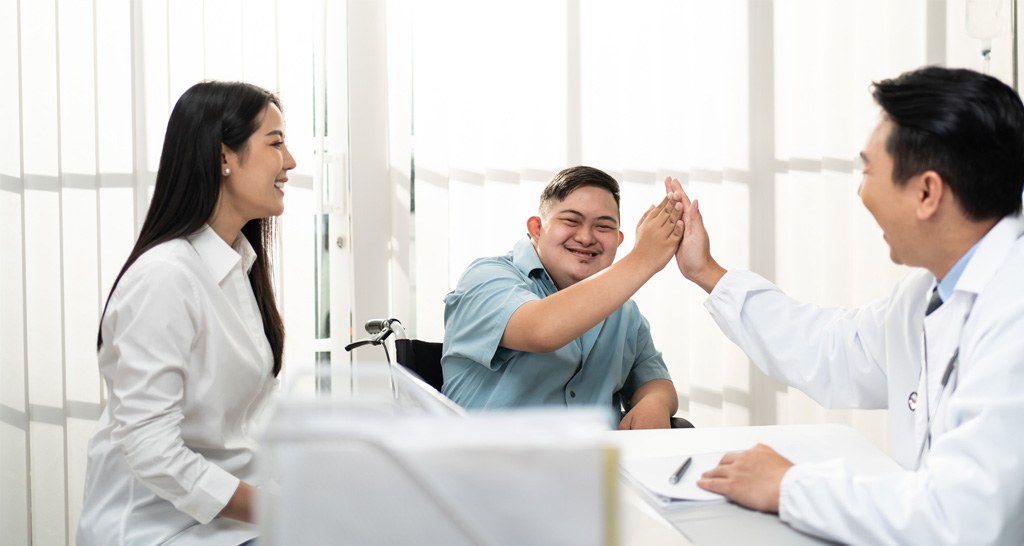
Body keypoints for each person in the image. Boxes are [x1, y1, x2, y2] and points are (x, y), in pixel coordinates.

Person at [668, 66, 1024, 544]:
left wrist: (787, 485)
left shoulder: (1012, 309)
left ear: (926, 192)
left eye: (867, 170)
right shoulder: (926, 295)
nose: (860, 192)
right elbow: (831, 349)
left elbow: (959, 519)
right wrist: (706, 271)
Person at [77, 81, 296, 545]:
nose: (290, 162)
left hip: (222, 525)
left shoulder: (237, 264)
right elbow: (151, 449)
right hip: (156, 530)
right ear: (223, 157)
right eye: (275, 143)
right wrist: (274, 510)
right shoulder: (165, 278)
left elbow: (250, 418)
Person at [441, 166, 683, 429]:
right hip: (487, 465)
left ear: (618, 239)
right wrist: (643, 258)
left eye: (603, 226)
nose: (586, 237)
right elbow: (541, 330)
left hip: (591, 466)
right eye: (571, 221)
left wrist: (655, 400)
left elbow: (654, 379)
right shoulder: (486, 278)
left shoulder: (625, 313)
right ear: (536, 228)